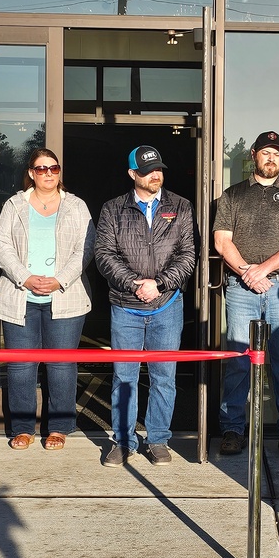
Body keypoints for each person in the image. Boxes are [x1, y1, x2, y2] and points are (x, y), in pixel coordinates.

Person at [94, 144, 196, 466]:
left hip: (167, 305)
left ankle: (158, 439)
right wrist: (134, 283)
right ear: (132, 174)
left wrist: (160, 283)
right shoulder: (113, 209)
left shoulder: (180, 206)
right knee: (125, 376)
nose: (156, 175)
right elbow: (104, 255)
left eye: (159, 169)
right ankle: (123, 441)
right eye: (149, 170)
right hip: (125, 306)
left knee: (163, 376)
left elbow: (188, 254)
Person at [214, 130, 279, 458]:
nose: (271, 158)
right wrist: (246, 272)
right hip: (241, 288)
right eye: (266, 152)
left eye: (277, 154)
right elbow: (222, 241)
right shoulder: (233, 196)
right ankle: (231, 428)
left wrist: (263, 269)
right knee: (240, 360)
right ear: (253, 154)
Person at [0, 148, 94, 451]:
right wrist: (24, 277)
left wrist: (60, 279)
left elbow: (86, 247)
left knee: (61, 366)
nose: (48, 173)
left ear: (60, 172)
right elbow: (1, 243)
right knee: (21, 366)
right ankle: (22, 428)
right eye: (41, 169)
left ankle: (59, 428)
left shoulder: (76, 206)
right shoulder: (15, 205)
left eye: (53, 168)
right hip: (20, 296)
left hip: (65, 296)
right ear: (31, 172)